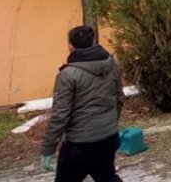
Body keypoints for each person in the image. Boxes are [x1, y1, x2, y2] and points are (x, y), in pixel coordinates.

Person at [40, 26, 125, 182]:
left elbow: (60, 114)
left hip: (80, 144)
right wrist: (110, 124)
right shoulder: (113, 65)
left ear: (71, 46)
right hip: (108, 137)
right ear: (93, 42)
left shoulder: (68, 74)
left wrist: (48, 148)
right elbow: (119, 98)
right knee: (106, 176)